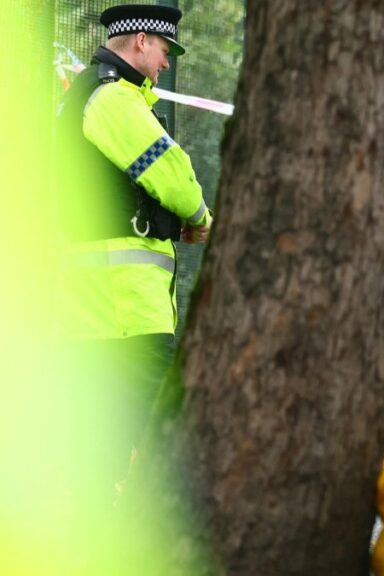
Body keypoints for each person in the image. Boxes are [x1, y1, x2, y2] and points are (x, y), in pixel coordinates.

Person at [56, 4, 211, 500]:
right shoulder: (113, 100)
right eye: (165, 51)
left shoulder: (92, 93)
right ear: (141, 41)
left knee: (105, 447)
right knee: (168, 435)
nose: (166, 63)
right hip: (129, 312)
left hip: (102, 308)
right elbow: (175, 178)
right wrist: (199, 219)